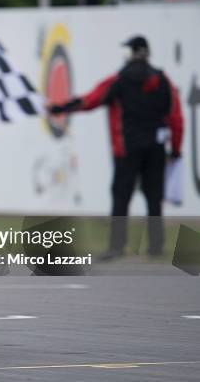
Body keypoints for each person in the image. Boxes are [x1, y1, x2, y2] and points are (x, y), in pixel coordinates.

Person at [49, 35, 184, 261]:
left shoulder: (119, 80)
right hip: (156, 147)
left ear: (132, 53)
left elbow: (90, 100)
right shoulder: (163, 81)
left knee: (121, 195)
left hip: (126, 148)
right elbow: (176, 118)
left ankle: (117, 246)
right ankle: (155, 246)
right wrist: (176, 149)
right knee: (154, 195)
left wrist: (59, 108)